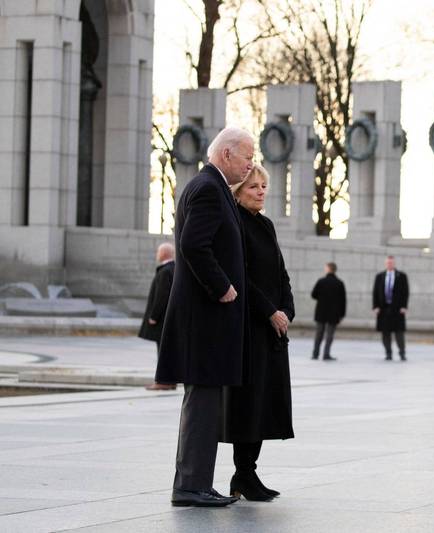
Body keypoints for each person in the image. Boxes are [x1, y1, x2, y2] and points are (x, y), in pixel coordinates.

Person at [155, 127, 254, 508]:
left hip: (208, 320)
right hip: (206, 318)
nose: (250, 163)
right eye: (247, 155)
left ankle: (196, 482)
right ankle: (190, 486)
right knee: (202, 403)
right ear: (226, 154)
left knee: (205, 402)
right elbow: (194, 245)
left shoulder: (209, 186)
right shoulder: (209, 189)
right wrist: (222, 287)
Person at [221, 164, 294, 502]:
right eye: (254, 187)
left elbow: (280, 274)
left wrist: (286, 311)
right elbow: (240, 276)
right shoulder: (235, 223)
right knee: (249, 403)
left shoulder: (266, 224)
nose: (262, 192)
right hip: (251, 326)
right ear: (237, 191)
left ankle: (246, 473)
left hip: (273, 329)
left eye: (264, 186)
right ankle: (244, 472)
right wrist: (269, 311)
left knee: (266, 402)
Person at [138, 242, 176, 391]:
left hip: (162, 321)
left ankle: (163, 381)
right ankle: (170, 380)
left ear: (164, 254)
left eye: (158, 252)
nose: (157, 254)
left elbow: (161, 296)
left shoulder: (165, 271)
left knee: (162, 351)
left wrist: (154, 316)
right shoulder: (174, 269)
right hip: (170, 319)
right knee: (168, 351)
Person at [372, 255, 409, 361]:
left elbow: (406, 292)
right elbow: (375, 292)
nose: (390, 264)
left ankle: (402, 353)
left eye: (391, 263)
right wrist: (375, 306)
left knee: (399, 333)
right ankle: (388, 353)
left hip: (397, 309)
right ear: (385, 264)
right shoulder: (380, 276)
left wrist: (404, 306)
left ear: (394, 263)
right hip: (383, 309)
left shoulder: (401, 276)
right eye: (388, 263)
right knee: (385, 333)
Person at [310, 263, 346, 361]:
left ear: (329, 269)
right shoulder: (339, 283)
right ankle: (326, 354)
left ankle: (315, 354)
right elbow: (343, 301)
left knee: (319, 334)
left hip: (321, 312)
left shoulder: (321, 281)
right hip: (334, 314)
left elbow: (313, 295)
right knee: (330, 335)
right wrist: (342, 314)